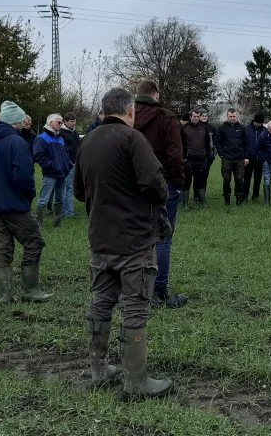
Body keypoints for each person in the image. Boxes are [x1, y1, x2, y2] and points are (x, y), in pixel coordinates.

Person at [74, 87, 174, 399]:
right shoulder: (133, 139)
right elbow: (155, 185)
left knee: (101, 302)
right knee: (134, 306)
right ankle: (136, 382)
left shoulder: (87, 140)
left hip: (100, 238)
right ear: (129, 111)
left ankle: (98, 370)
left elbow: (79, 191)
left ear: (104, 110)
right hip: (133, 241)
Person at [0, 101, 52, 303]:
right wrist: (29, 194)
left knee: (2, 247)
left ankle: (5, 294)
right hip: (14, 204)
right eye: (22, 119)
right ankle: (30, 290)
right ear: (15, 121)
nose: (24, 122)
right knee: (34, 241)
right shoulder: (17, 142)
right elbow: (24, 176)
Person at [133, 80, 188, 308]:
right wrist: (178, 182)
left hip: (132, 183)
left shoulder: (128, 116)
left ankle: (134, 288)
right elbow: (175, 153)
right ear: (156, 93)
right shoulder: (166, 117)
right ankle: (158, 292)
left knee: (136, 235)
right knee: (163, 235)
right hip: (162, 181)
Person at [32, 113, 72, 227]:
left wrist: (67, 165)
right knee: (43, 200)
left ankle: (58, 223)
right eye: (58, 122)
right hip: (50, 174)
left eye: (62, 122)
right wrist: (52, 165)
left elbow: (66, 155)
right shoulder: (41, 138)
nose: (61, 124)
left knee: (60, 199)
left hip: (62, 174)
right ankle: (38, 224)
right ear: (50, 123)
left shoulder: (60, 139)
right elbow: (38, 156)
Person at [180, 106, 213, 209]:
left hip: (201, 160)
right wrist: (183, 157)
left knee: (201, 182)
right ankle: (185, 204)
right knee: (186, 183)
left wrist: (207, 155)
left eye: (198, 116)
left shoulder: (204, 129)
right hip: (188, 160)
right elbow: (180, 144)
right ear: (190, 116)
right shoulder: (184, 129)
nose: (196, 118)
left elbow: (208, 144)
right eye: (194, 116)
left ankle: (203, 203)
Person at [215, 108, 249, 207]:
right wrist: (221, 154)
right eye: (231, 116)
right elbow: (218, 142)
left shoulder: (242, 128)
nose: (233, 118)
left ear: (236, 116)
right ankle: (227, 200)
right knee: (226, 179)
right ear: (227, 116)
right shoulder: (222, 127)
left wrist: (246, 157)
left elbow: (246, 143)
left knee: (239, 180)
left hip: (239, 158)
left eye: (234, 116)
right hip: (227, 158)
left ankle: (239, 200)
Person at [58, 113, 81, 220]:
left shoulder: (74, 132)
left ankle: (69, 211)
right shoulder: (61, 133)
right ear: (65, 121)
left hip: (75, 163)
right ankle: (64, 211)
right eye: (71, 121)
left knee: (70, 188)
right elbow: (62, 150)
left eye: (74, 121)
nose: (73, 123)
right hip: (67, 164)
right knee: (65, 188)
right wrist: (67, 162)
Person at [243, 112, 266, 201]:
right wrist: (245, 156)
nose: (258, 124)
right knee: (247, 177)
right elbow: (244, 143)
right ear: (254, 121)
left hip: (260, 159)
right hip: (249, 158)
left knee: (258, 178)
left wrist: (263, 156)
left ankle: (255, 195)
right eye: (257, 122)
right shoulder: (246, 129)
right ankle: (245, 195)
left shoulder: (264, 130)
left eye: (260, 123)